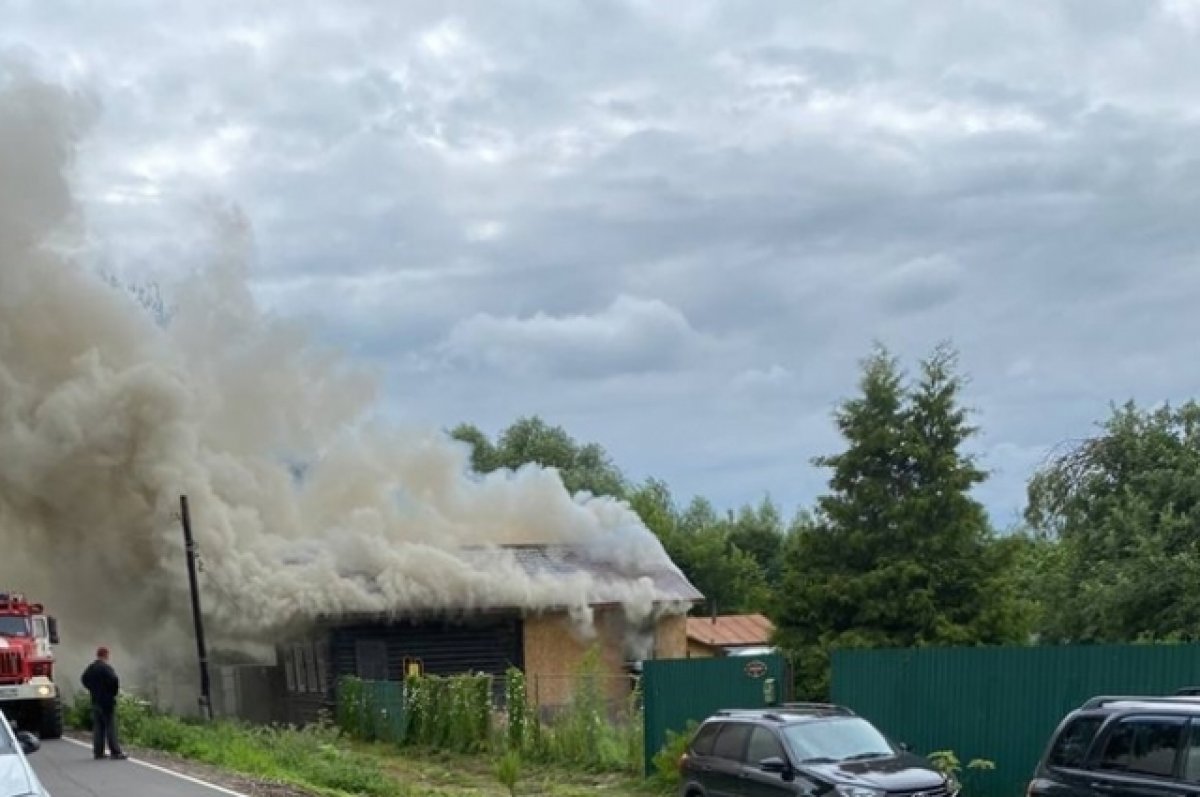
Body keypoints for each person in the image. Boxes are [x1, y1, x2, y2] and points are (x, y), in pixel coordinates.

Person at [80, 646, 128, 760]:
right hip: (107, 701)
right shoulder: (106, 668)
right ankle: (115, 752)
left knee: (98, 727)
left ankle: (98, 752)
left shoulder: (91, 668)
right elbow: (115, 680)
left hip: (95, 700)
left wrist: (92, 689)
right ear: (106, 655)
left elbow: (83, 679)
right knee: (111, 727)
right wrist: (112, 693)